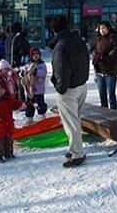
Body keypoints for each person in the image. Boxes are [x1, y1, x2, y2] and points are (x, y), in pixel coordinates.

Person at [50, 14, 90, 168]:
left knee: (71, 122)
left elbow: (61, 71)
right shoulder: (77, 40)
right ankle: (74, 147)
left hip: (69, 89)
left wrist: (60, 88)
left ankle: (77, 152)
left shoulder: (60, 47)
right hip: (81, 84)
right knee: (76, 119)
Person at [92, 21, 117, 110]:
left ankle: (114, 115)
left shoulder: (113, 38)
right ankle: (104, 114)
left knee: (111, 95)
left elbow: (116, 55)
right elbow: (95, 52)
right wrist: (95, 59)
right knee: (102, 96)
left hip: (110, 71)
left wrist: (103, 58)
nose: (102, 30)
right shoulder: (99, 39)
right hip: (100, 72)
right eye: (100, 28)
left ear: (108, 28)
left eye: (104, 28)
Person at [22, 48, 48, 121]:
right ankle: (29, 118)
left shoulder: (42, 65)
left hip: (39, 90)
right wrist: (22, 73)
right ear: (31, 56)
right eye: (34, 54)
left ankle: (42, 117)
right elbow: (24, 72)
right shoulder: (28, 65)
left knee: (40, 105)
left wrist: (35, 72)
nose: (36, 56)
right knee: (30, 105)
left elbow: (43, 73)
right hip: (30, 91)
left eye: (37, 54)